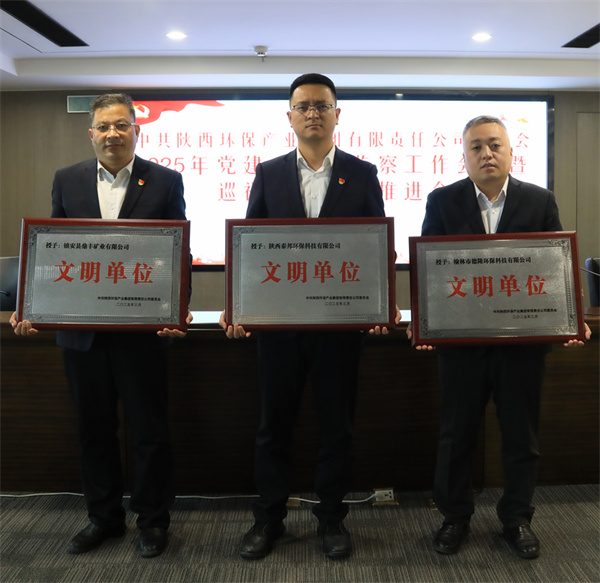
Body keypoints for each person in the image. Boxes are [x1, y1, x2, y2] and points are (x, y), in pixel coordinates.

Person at [220, 73, 399, 560]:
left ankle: (332, 519)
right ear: (290, 116)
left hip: (339, 328)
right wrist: (237, 304)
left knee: (337, 428)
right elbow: (249, 244)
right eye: (304, 106)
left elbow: (378, 243)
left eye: (322, 105)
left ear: (338, 114)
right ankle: (268, 519)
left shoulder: (362, 173)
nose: (313, 113)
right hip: (279, 327)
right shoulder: (269, 173)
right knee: (273, 427)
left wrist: (382, 300)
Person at [11, 93, 192, 559]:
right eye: (104, 127)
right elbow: (52, 248)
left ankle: (153, 522)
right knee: (93, 431)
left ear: (136, 130)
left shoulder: (166, 180)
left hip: (142, 332)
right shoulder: (66, 179)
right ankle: (104, 518)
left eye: (121, 125)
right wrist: (30, 303)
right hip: (83, 335)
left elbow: (180, 251)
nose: (113, 133)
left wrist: (180, 309)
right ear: (91, 133)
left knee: (149, 431)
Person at [408, 115, 591, 559]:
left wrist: (572, 315)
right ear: (464, 155)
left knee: (520, 436)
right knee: (456, 435)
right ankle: (454, 517)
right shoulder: (443, 200)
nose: (486, 153)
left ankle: (517, 519)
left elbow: (555, 265)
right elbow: (428, 268)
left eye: (494, 145)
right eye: (476, 147)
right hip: (461, 345)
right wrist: (423, 317)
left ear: (511, 151)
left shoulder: (539, 200)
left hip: (522, 344)